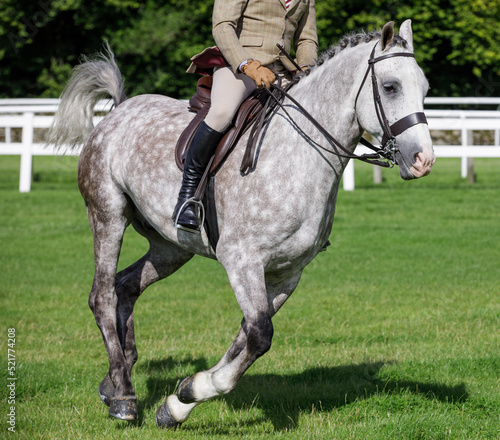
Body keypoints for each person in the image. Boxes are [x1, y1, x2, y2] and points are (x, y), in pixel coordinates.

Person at [173, 0, 319, 232]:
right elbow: (223, 25)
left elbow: (306, 38)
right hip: (240, 65)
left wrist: (307, 70)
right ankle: (188, 197)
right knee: (222, 112)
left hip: (284, 70)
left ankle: (308, 214)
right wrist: (246, 64)